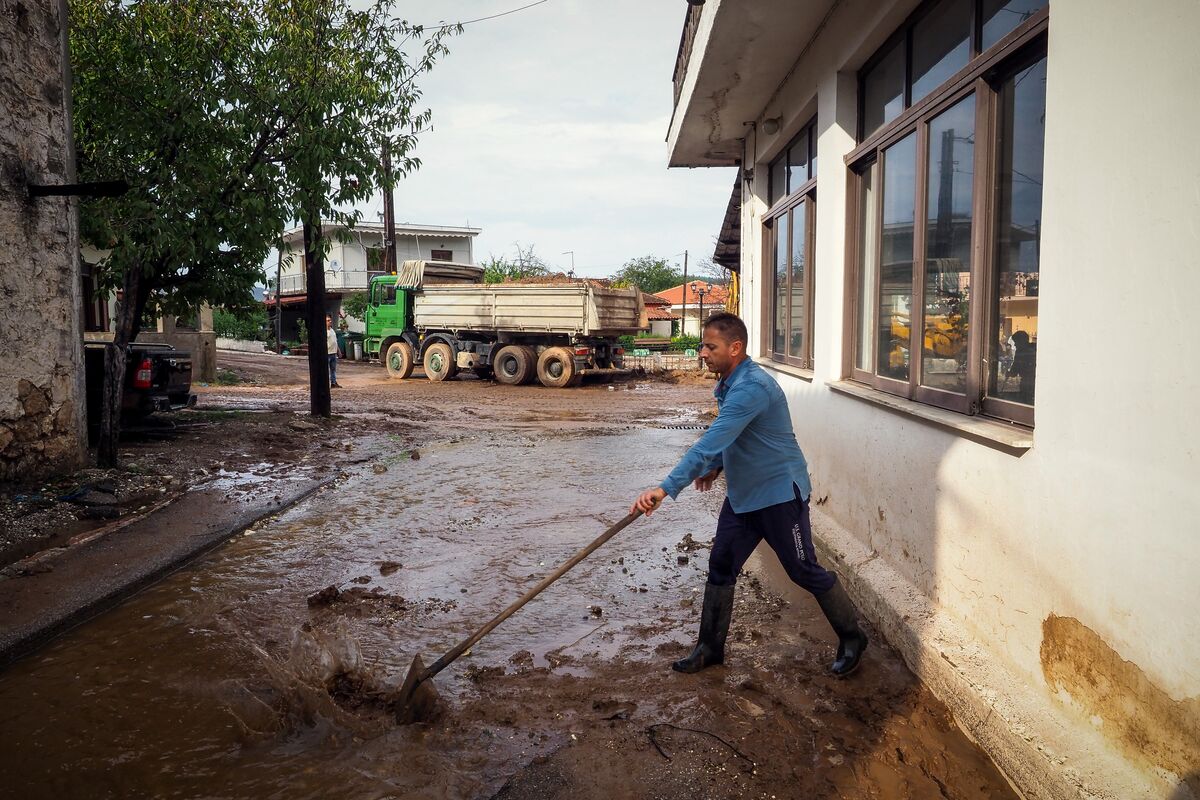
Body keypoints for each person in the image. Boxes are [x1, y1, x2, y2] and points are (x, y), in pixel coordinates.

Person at [631, 312, 868, 677]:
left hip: (778, 496)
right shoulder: (730, 382)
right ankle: (709, 649)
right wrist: (719, 466)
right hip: (743, 497)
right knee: (721, 567)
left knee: (802, 570)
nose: (703, 353)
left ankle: (852, 638)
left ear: (735, 347)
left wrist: (665, 489)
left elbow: (711, 440)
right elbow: (739, 437)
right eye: (702, 345)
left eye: (710, 346)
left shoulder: (752, 387)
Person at [326, 314, 341, 389]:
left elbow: (335, 341)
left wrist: (339, 351)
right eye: (328, 320)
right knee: (326, 370)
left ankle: (333, 382)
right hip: (327, 353)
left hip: (333, 353)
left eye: (330, 320)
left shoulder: (332, 330)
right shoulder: (324, 332)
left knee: (333, 369)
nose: (330, 322)